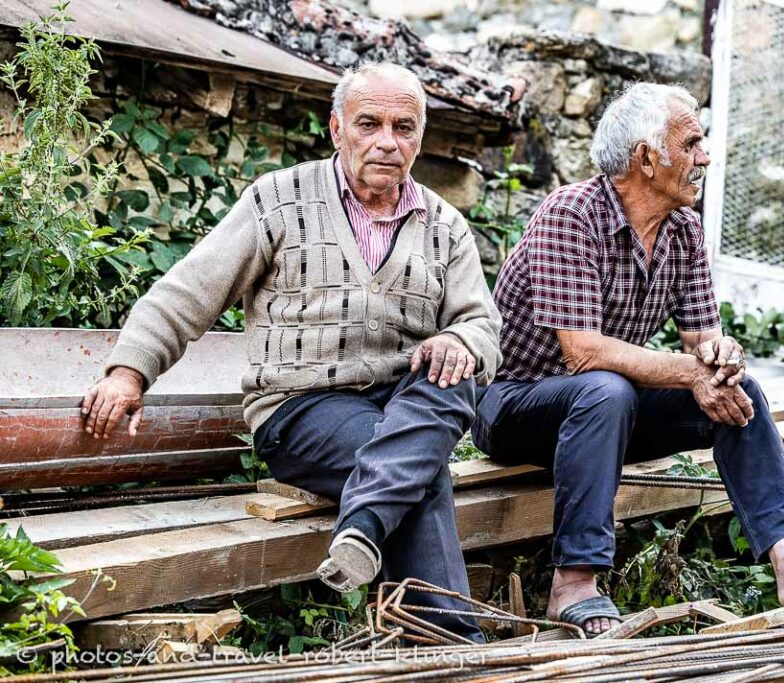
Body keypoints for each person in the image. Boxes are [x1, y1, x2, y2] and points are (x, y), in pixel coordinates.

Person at [81, 63, 501, 643]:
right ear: (335, 129)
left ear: (420, 137)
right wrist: (129, 372)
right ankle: (453, 645)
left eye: (404, 127)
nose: (386, 141)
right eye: (369, 124)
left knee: (455, 375)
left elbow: (481, 325)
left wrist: (460, 340)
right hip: (302, 410)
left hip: (406, 404)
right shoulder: (279, 201)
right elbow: (188, 292)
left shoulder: (445, 225)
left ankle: (365, 531)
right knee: (419, 467)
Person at [472, 82, 784, 637]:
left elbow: (702, 338)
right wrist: (691, 372)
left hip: (608, 412)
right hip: (517, 405)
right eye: (691, 143)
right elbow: (583, 354)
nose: (704, 156)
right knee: (604, 390)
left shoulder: (683, 229)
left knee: (742, 395)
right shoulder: (571, 215)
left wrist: (719, 359)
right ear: (646, 158)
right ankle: (573, 583)